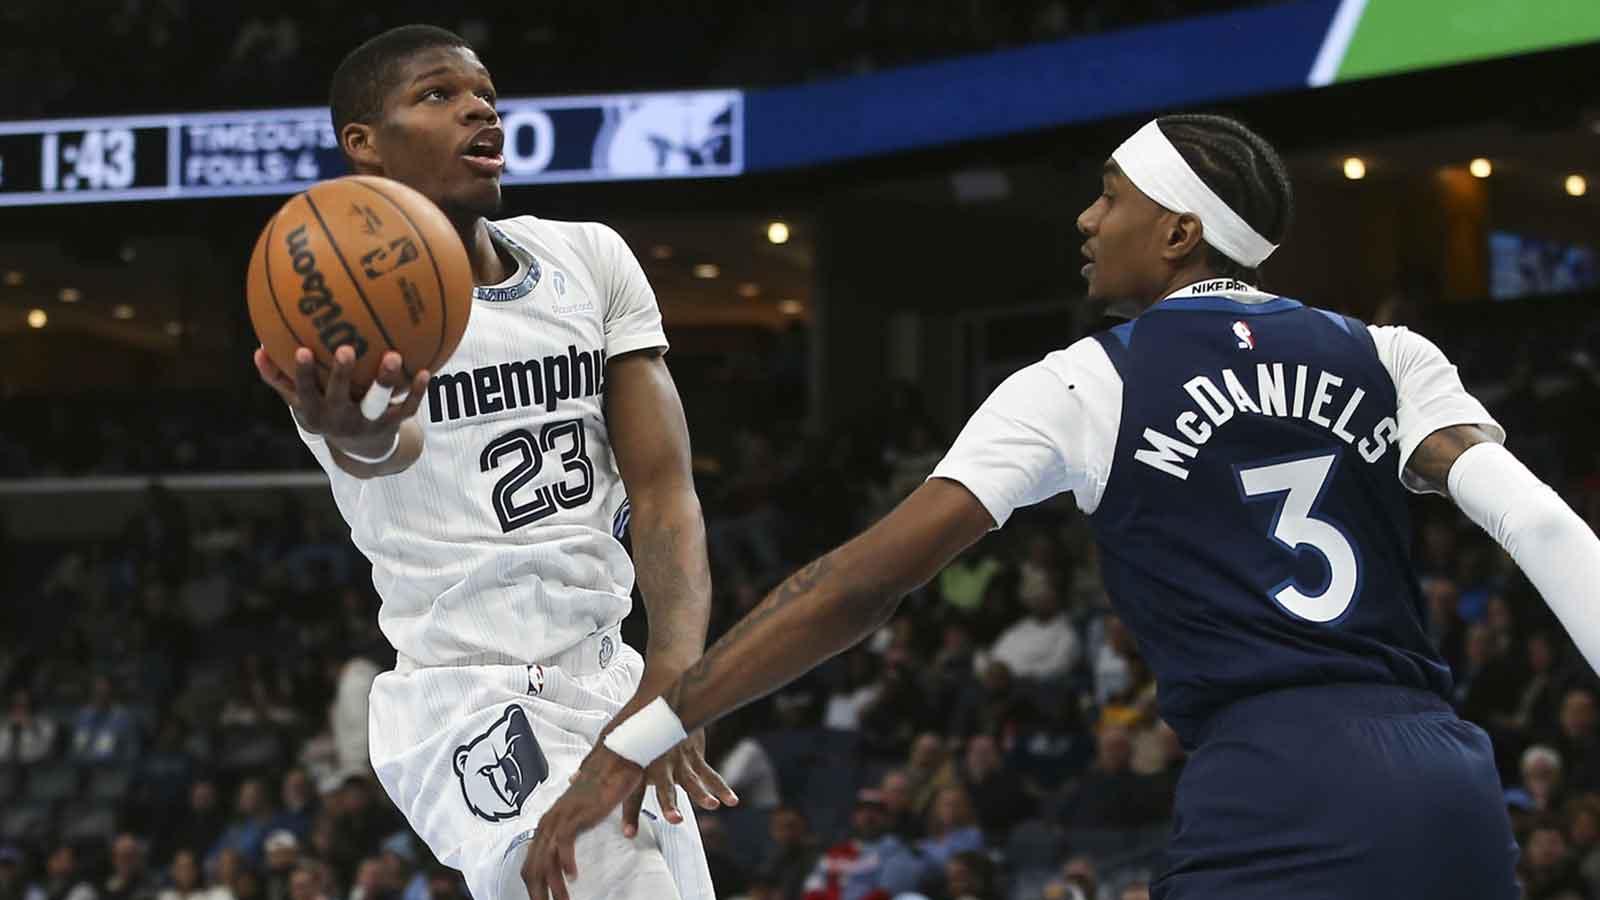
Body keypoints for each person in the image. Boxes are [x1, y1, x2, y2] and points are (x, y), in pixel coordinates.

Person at [526, 113, 1600, 898]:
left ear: (1180, 231)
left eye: (1109, 196)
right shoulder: (1390, 353)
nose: (1087, 219)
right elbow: (1541, 526)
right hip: (1450, 780)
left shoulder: (1087, 379)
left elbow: (858, 585)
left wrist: (658, 722)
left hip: (1275, 783)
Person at [250, 23, 732, 900]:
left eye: (485, 96)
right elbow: (376, 446)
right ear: (365, 144)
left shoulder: (588, 257)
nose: (479, 107)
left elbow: (664, 490)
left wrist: (674, 671)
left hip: (610, 672)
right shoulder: (334, 303)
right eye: (437, 95)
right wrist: (351, 425)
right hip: (468, 699)